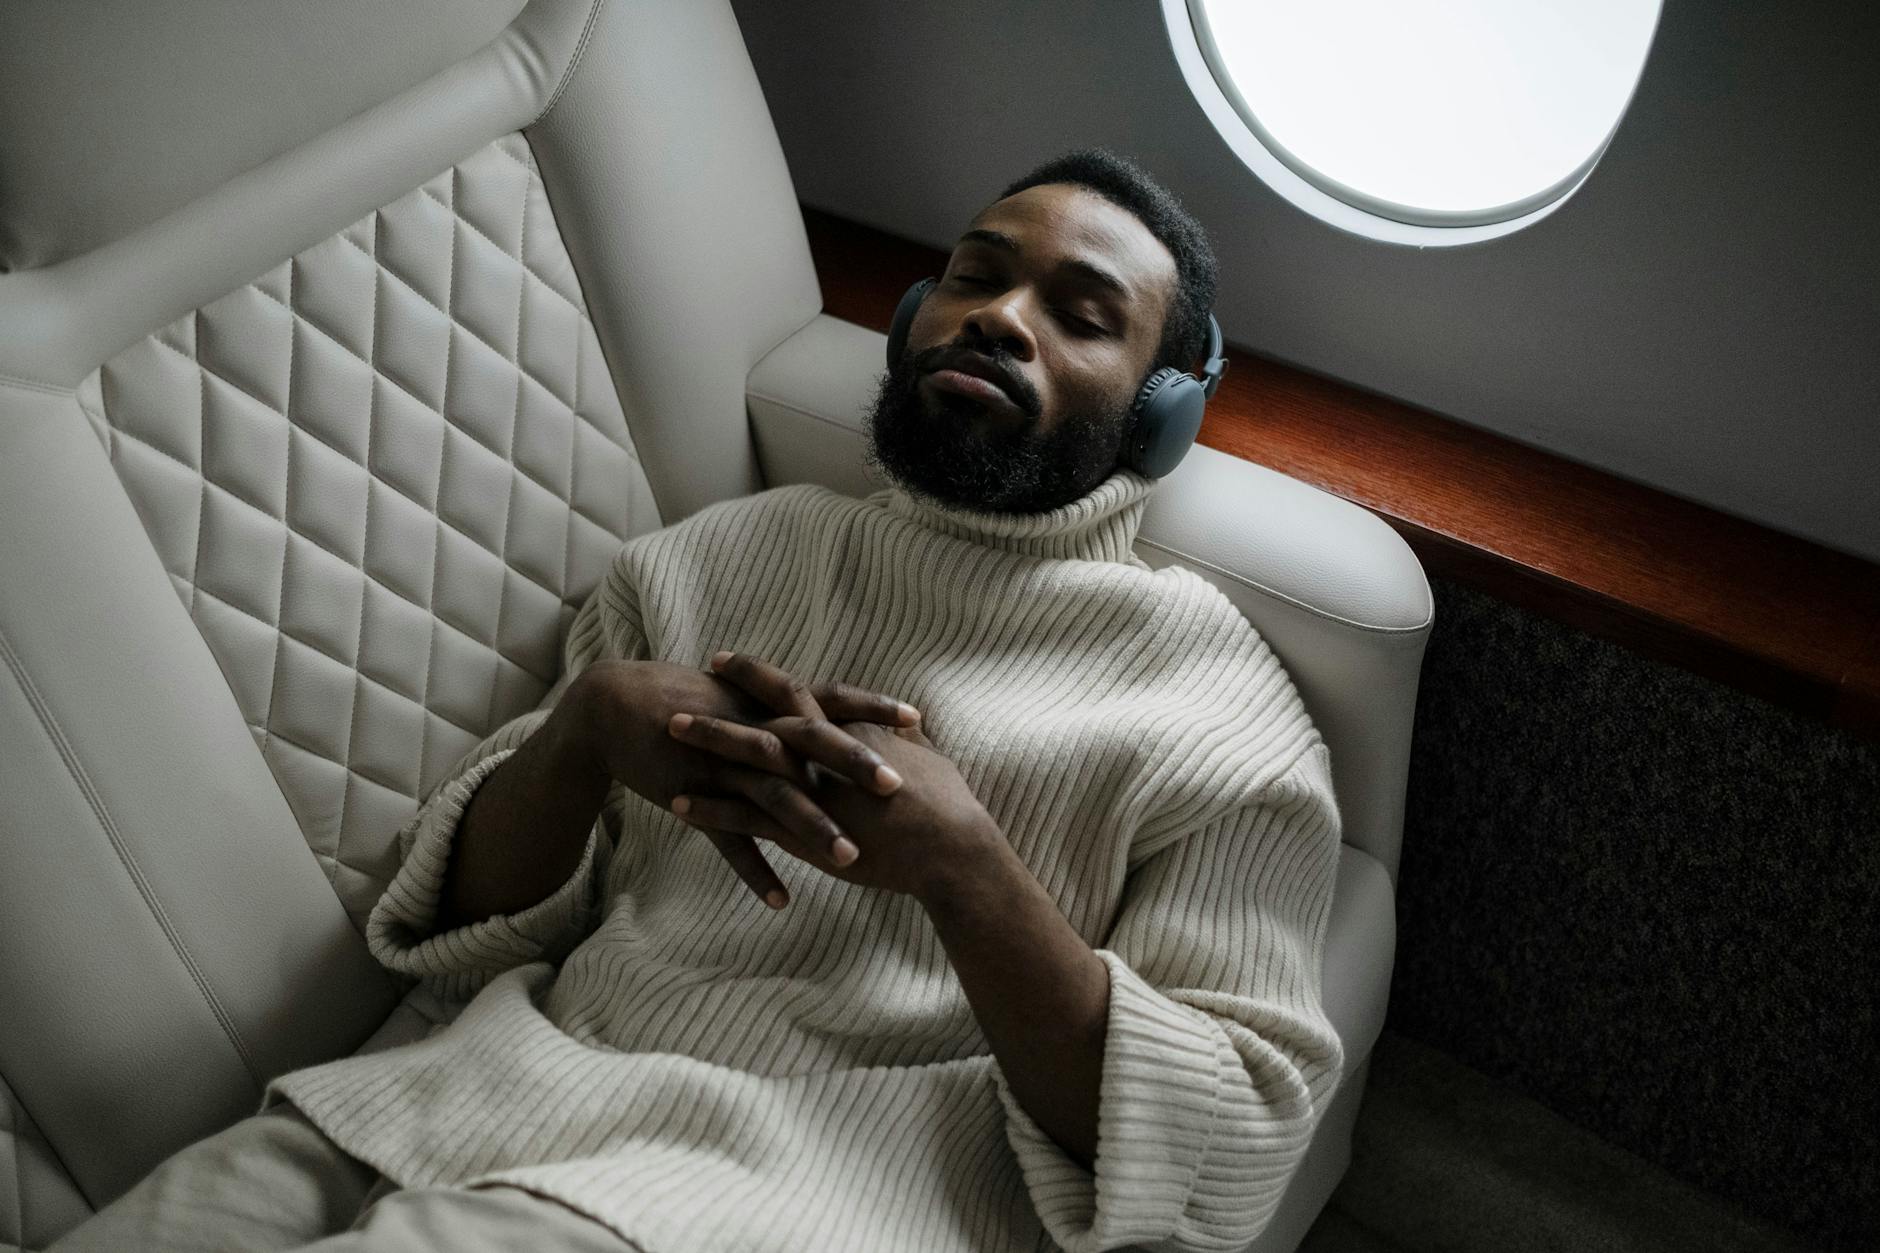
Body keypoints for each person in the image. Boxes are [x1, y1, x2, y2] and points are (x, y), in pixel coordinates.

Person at [53, 147, 1345, 1253]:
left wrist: (968, 871)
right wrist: (581, 734)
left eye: (1079, 310)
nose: (999, 316)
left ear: (1160, 413)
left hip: (772, 1201)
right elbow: (462, 935)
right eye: (974, 273)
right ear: (912, 314)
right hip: (430, 1104)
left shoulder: (1219, 709)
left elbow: (1229, 1148)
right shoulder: (720, 557)